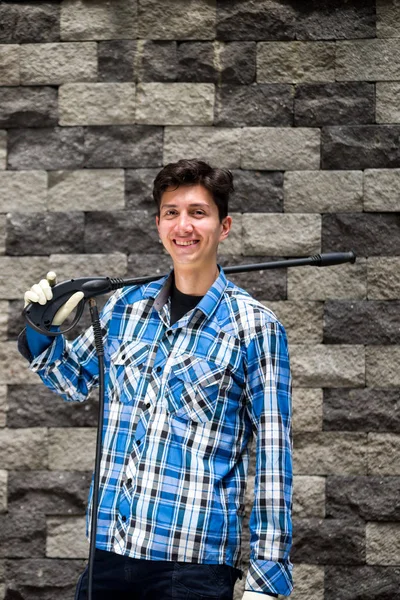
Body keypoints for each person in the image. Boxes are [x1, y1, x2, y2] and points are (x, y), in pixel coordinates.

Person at [18, 159, 293, 600]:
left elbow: (274, 460)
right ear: (159, 224)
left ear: (224, 226)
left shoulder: (255, 327)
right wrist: (39, 323)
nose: (183, 225)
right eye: (171, 212)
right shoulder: (125, 308)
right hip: (108, 552)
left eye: (198, 212)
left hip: (192, 568)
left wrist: (268, 579)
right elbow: (70, 379)